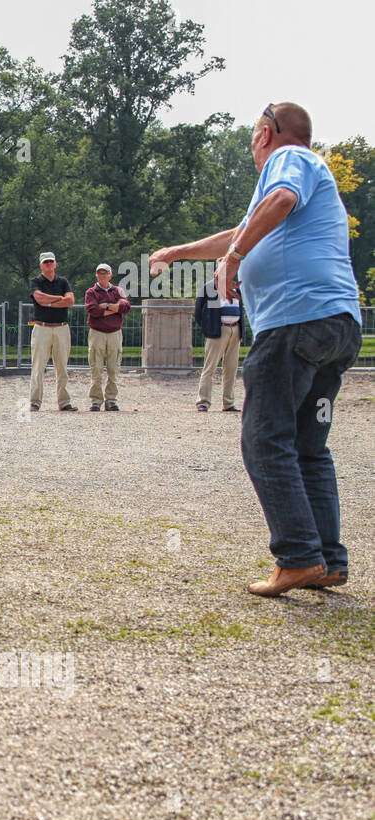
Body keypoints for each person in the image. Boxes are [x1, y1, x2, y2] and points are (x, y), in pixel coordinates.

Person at [152, 102, 362, 596]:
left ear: (266, 134)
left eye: (252, 138)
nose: (252, 147)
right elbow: (244, 228)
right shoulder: (296, 178)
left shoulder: (291, 162)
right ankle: (327, 560)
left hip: (294, 324)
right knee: (309, 448)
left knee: (264, 440)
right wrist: (180, 252)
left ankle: (296, 557)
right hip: (332, 326)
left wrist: (236, 256)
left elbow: (280, 201)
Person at [28, 252, 76, 411]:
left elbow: (70, 300)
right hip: (42, 327)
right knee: (38, 366)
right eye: (45, 262)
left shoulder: (63, 281)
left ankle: (64, 402)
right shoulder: (36, 281)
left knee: (62, 366)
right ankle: (35, 401)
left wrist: (49, 302)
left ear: (56, 264)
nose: (49, 264)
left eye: (51, 262)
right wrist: (59, 299)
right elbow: (39, 298)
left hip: (61, 327)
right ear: (41, 265)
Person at [82, 263, 130, 411]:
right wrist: (115, 308)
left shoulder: (118, 290)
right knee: (96, 368)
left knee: (113, 368)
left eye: (105, 273)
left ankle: (111, 400)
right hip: (97, 333)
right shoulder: (91, 292)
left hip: (115, 333)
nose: (102, 275)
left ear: (110, 275)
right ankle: (96, 400)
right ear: (96, 275)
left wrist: (106, 306)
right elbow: (93, 310)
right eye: (100, 273)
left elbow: (126, 307)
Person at [194, 277, 242, 413]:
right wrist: (208, 328)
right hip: (218, 329)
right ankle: (203, 402)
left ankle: (228, 403)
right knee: (210, 367)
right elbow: (198, 310)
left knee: (231, 368)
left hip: (235, 329)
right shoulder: (210, 287)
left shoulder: (235, 286)